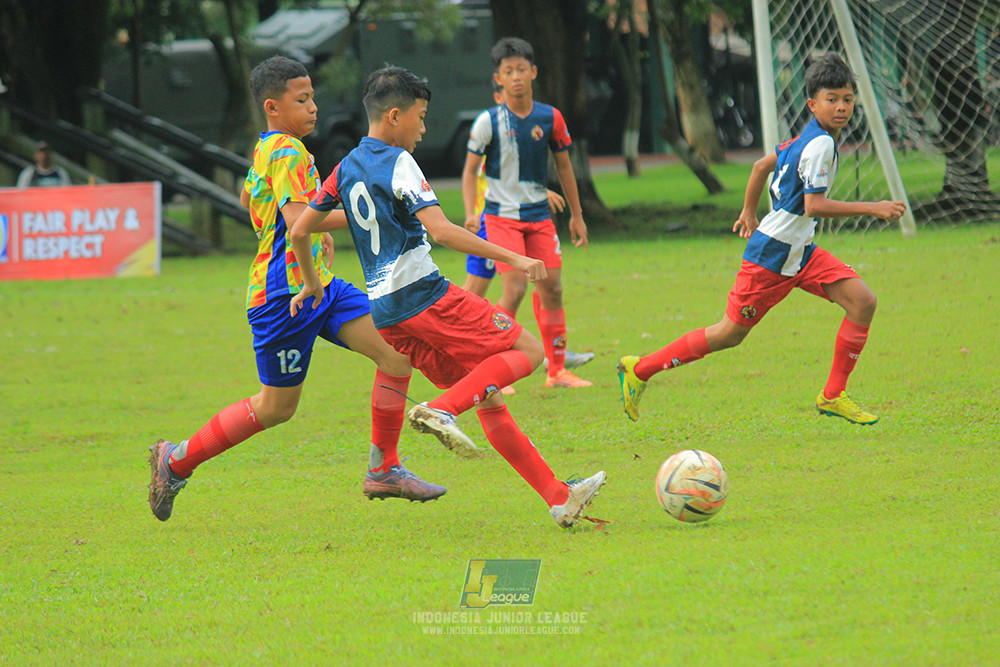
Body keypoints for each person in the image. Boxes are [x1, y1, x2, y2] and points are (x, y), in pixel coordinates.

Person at [289, 66, 606, 528]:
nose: (424, 127)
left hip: (386, 313)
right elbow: (442, 231)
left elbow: (300, 228)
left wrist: (312, 282)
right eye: (420, 116)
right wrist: (515, 260)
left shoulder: (346, 166)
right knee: (529, 351)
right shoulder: (399, 162)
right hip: (426, 297)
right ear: (395, 115)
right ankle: (441, 409)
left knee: (491, 397)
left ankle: (559, 497)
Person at [147, 56, 446, 522]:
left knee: (395, 353)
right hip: (284, 298)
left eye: (313, 98)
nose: (314, 108)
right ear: (272, 106)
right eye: (302, 100)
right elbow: (296, 221)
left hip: (316, 287)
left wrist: (306, 230)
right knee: (276, 407)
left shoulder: (269, 147)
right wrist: (374, 214)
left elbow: (251, 198)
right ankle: (176, 459)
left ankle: (384, 468)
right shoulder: (286, 153)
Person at [617, 53, 906, 426]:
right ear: (812, 103)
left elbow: (759, 167)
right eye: (831, 99)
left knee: (862, 302)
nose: (841, 107)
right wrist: (873, 208)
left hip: (799, 252)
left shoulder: (806, 137)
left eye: (847, 99)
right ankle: (640, 369)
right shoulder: (819, 144)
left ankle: (833, 395)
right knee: (728, 334)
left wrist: (749, 212)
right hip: (771, 256)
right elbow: (813, 205)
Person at [462, 37, 592, 389]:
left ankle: (557, 371)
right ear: (498, 79)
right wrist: (470, 213)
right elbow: (470, 170)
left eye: (522, 69)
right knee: (516, 288)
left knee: (552, 288)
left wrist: (576, 215)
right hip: (501, 218)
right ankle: (494, 367)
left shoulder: (550, 118)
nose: (516, 76)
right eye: (508, 71)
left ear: (533, 72)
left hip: (538, 217)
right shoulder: (487, 122)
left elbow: (565, 167)